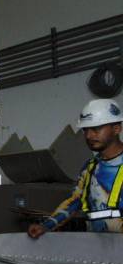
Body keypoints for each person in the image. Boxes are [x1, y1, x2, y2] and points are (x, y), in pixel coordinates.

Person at [28, 98, 123, 237]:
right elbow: (75, 201)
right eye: (85, 130)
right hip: (97, 248)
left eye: (96, 129)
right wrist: (47, 226)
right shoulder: (90, 168)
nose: (89, 135)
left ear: (116, 129)